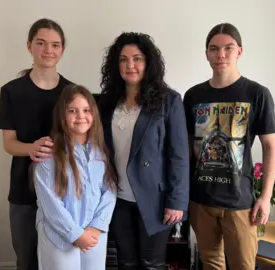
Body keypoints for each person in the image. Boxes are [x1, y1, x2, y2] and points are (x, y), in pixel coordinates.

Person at [183, 22, 275, 270]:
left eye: (228, 48)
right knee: (211, 263)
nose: (221, 54)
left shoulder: (257, 94)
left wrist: (266, 197)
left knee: (243, 266)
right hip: (200, 201)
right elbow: (184, 149)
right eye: (214, 49)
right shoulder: (193, 96)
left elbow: (270, 147)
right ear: (207, 54)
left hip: (239, 204)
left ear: (239, 51)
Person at [98, 32, 190, 270]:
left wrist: (177, 202)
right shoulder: (107, 103)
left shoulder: (168, 100)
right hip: (117, 198)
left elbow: (178, 155)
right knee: (126, 262)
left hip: (155, 199)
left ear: (148, 62)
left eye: (137, 58)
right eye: (123, 59)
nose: (130, 65)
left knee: (151, 264)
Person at [0, 18, 72, 270]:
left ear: (62, 49)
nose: (48, 50)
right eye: (41, 43)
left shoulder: (71, 92)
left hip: (64, 191)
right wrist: (31, 148)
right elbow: (9, 143)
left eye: (55, 44)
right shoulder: (11, 91)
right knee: (26, 260)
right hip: (23, 189)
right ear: (29, 45)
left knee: (60, 261)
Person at [32, 83, 118, 270]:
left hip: (94, 235)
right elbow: (50, 203)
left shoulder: (99, 151)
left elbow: (109, 190)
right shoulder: (48, 154)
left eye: (86, 110)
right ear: (62, 115)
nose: (81, 116)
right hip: (60, 238)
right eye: (72, 110)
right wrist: (75, 235)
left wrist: (96, 227)